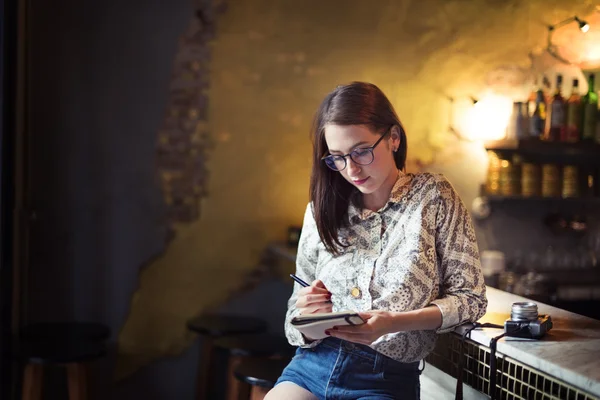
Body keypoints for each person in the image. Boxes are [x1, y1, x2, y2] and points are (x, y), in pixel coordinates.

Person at [265, 82, 487, 400]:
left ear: (393, 138)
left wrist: (393, 323)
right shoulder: (320, 210)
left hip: (383, 379)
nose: (351, 169)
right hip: (312, 368)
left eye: (361, 151)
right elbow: (292, 319)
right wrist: (307, 317)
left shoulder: (433, 196)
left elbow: (470, 300)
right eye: (337, 158)